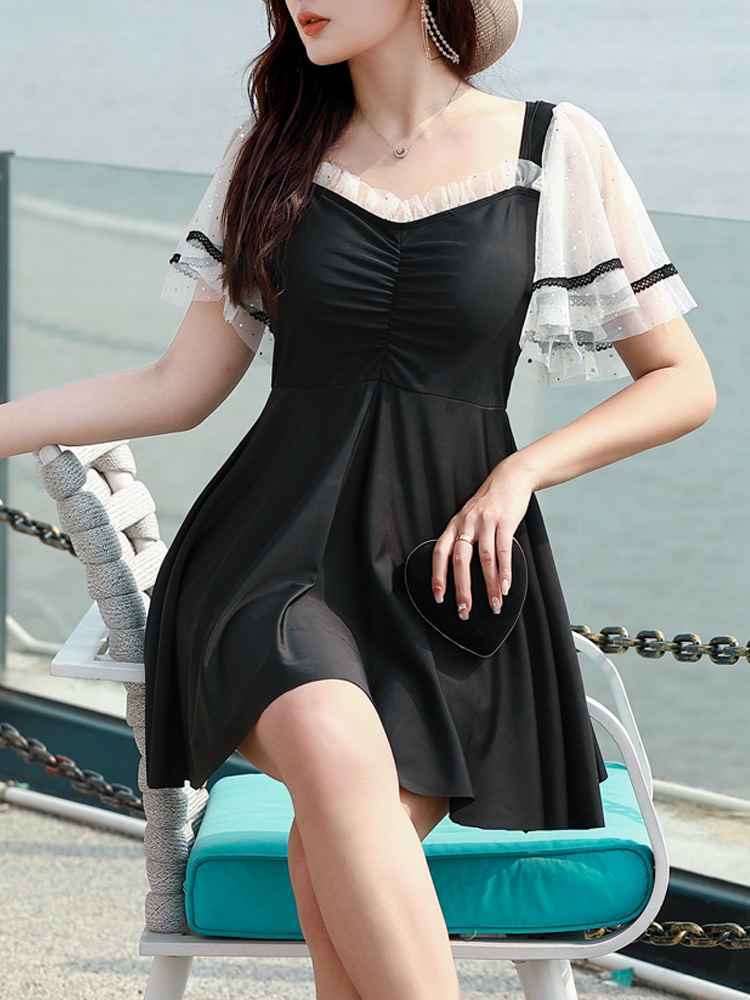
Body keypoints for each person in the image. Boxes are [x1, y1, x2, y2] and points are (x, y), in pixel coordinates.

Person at [2, 2, 715, 997]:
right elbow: (179, 386)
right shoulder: (270, 153)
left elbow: (682, 380)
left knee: (331, 856)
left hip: (442, 581)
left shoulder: (553, 149)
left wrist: (520, 473)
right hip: (269, 558)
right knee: (338, 762)